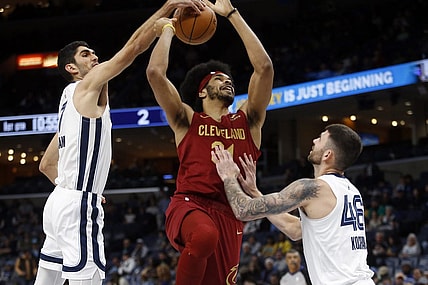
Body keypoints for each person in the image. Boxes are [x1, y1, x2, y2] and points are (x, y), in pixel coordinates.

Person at [34, 1, 204, 284]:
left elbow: (46, 165)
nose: (95, 57)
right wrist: (167, 9)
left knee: (47, 279)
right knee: (88, 279)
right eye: (85, 55)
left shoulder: (66, 105)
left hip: (57, 204)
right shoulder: (85, 86)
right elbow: (133, 49)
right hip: (76, 204)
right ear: (71, 68)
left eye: (93, 52)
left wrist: (70, 189)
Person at [145, 0, 274, 283]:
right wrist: (168, 28)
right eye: (219, 79)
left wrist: (231, 14)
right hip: (191, 205)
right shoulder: (187, 119)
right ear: (202, 92)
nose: (228, 82)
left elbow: (264, 67)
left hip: (232, 214)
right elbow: (155, 74)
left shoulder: (249, 121)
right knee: (204, 235)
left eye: (230, 80)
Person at [212, 124, 375, 285]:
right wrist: (255, 192)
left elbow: (243, 210)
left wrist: (229, 176)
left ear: (327, 155)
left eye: (320, 138)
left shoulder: (313, 188)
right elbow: (296, 230)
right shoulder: (351, 191)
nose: (314, 140)